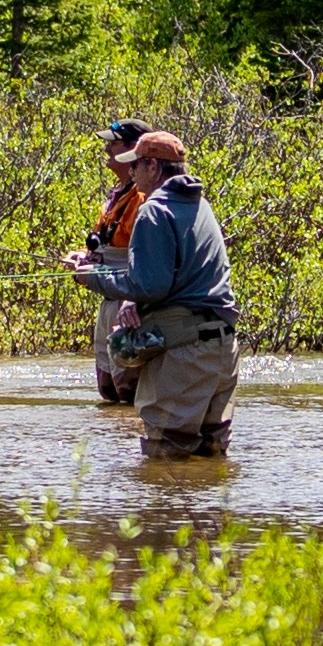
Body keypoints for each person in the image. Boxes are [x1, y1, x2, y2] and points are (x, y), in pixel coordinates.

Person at [71, 129, 237, 462]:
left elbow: (150, 285)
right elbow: (174, 274)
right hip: (222, 351)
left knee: (165, 460)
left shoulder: (153, 211)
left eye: (135, 166)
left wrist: (92, 277)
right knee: (209, 458)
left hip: (184, 357)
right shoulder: (201, 206)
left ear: (153, 168)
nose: (130, 173)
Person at [78, 114, 156, 409]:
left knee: (129, 387)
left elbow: (142, 252)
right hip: (108, 296)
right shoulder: (116, 194)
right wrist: (85, 259)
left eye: (114, 144)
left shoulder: (145, 199)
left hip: (128, 301)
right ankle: (109, 447)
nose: (107, 150)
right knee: (108, 385)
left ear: (133, 149)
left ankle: (131, 443)